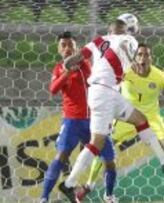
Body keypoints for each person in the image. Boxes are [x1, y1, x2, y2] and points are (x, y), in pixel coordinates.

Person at [58, 19, 164, 203]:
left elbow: (71, 61)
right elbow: (131, 55)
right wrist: (131, 62)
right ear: (125, 30)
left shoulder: (97, 41)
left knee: (140, 119)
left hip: (106, 93)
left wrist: (66, 66)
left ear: (109, 30)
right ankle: (70, 183)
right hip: (104, 94)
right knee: (96, 143)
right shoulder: (128, 40)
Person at [40, 31, 92, 203]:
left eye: (71, 45)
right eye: (64, 45)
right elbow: (53, 89)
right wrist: (67, 73)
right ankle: (44, 197)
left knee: (96, 154)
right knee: (62, 156)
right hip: (72, 121)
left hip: (92, 120)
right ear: (59, 49)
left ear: (76, 47)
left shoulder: (85, 65)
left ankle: (71, 185)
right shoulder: (59, 69)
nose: (68, 48)